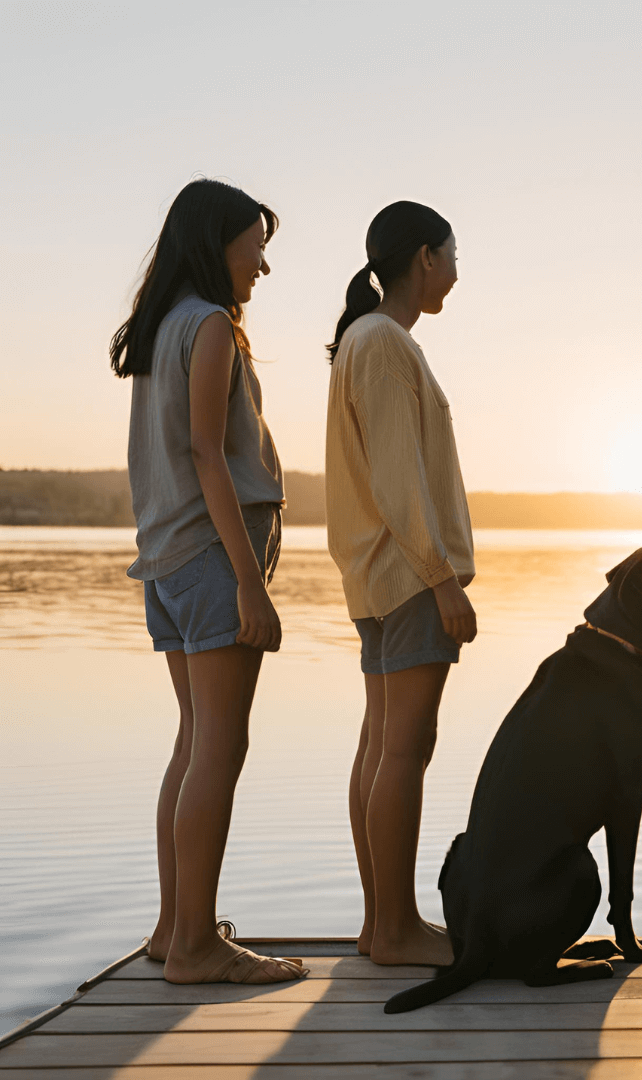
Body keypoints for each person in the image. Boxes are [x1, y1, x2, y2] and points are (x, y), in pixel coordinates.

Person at [110, 178, 306, 985]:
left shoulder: (163, 329)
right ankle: (195, 946)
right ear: (217, 242)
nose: (263, 263)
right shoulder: (212, 328)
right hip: (210, 563)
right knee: (220, 746)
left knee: (194, 741)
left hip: (166, 561)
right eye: (255, 244)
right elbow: (204, 454)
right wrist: (248, 585)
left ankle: (172, 929)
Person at [326, 200, 476, 967]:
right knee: (404, 748)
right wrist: (443, 579)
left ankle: (380, 924)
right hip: (407, 576)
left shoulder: (370, 340)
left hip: (379, 574)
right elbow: (396, 477)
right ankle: (394, 928)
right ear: (424, 258)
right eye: (453, 256)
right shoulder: (383, 343)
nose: (457, 271)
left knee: (383, 745)